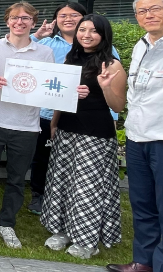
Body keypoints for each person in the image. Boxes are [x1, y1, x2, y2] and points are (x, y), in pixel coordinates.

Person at [41, 14, 125, 259]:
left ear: (103, 35)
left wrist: (106, 86)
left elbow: (118, 106)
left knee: (87, 187)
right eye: (82, 29)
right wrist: (54, 123)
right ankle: (63, 230)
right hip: (67, 129)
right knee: (63, 182)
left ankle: (86, 240)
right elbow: (61, 96)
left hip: (95, 132)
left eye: (93, 31)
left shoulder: (111, 64)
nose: (86, 35)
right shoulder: (71, 58)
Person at [0, 2, 54, 249]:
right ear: (7, 21)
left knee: (17, 180)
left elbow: (49, 88)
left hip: (27, 126)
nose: (20, 22)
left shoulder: (44, 53)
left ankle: (6, 223)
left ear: (33, 22)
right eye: (15, 18)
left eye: (25, 18)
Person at [27, 1, 121, 215]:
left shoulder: (107, 53)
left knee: (81, 171)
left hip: (91, 121)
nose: (68, 19)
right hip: (50, 113)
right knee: (44, 159)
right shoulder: (50, 44)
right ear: (56, 20)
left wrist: (113, 116)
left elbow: (111, 86)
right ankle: (40, 195)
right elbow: (23, 55)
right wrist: (38, 36)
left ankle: (78, 211)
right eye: (62, 15)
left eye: (74, 15)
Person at [107, 0, 163, 272]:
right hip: (138, 135)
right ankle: (144, 262)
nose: (148, 15)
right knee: (142, 204)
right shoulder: (142, 44)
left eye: (155, 9)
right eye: (142, 11)